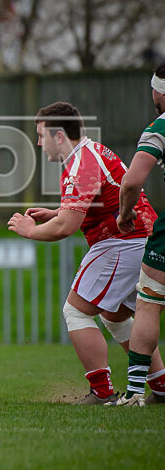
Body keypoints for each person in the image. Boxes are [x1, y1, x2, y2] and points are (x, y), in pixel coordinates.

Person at [8, 100, 165, 405]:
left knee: (76, 311)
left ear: (58, 136)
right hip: (136, 240)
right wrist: (56, 212)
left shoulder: (82, 163)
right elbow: (98, 201)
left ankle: (102, 393)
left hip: (122, 242)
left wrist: (30, 231)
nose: (39, 144)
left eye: (41, 136)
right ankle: (160, 385)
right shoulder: (90, 153)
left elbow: (66, 227)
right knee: (114, 314)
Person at [115, 63, 165, 406]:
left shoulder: (160, 126)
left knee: (148, 304)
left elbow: (132, 181)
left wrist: (124, 213)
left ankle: (134, 392)